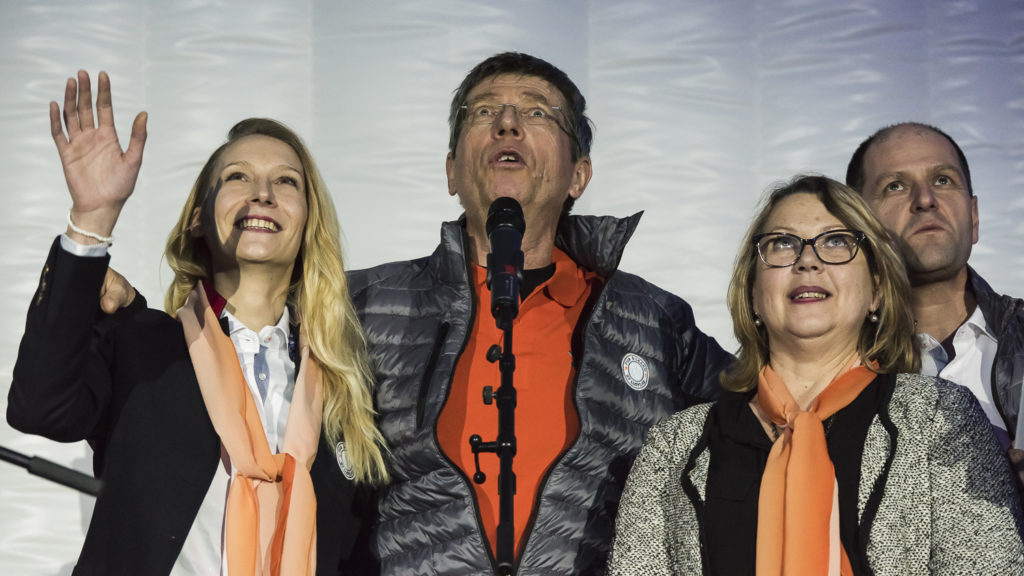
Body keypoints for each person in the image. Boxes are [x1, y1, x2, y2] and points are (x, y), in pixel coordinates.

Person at [345, 52, 732, 574]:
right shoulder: (364, 304)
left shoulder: (657, 321)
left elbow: (772, 416)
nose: (507, 123)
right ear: (452, 171)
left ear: (579, 174)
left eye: (537, 113)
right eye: (482, 112)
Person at [6, 71, 387, 575]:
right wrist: (91, 222)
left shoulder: (349, 388)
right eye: (237, 177)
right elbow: (40, 408)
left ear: (307, 221)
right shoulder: (141, 344)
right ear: (198, 218)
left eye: (286, 181)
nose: (262, 194)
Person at [608, 175, 1024, 575]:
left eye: (837, 242)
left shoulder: (941, 418)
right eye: (782, 243)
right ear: (753, 293)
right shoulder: (672, 448)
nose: (808, 261)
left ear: (877, 290)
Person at [847, 122, 1024, 458]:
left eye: (943, 180)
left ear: (973, 217)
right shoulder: (823, 361)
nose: (925, 200)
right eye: (895, 186)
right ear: (858, 226)